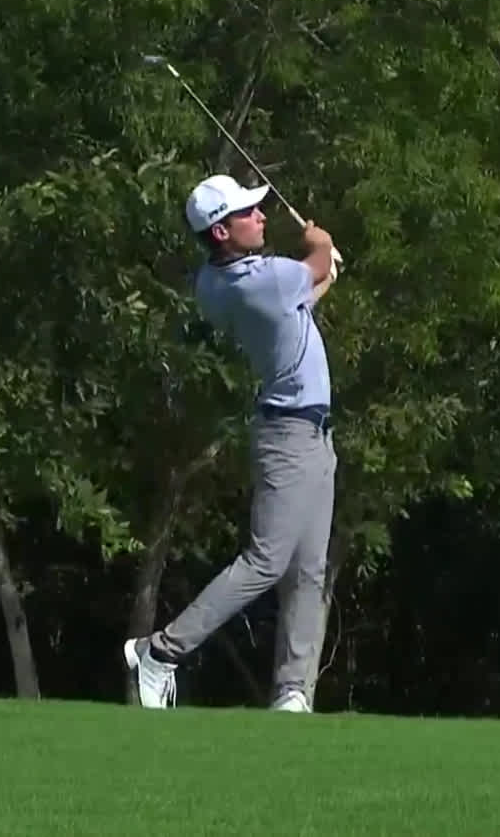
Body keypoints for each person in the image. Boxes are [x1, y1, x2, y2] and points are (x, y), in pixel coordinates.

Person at [123, 173, 341, 712]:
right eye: (248, 212)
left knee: (309, 569)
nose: (261, 216)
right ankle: (161, 652)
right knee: (267, 560)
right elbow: (313, 266)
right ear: (221, 232)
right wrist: (320, 243)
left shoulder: (217, 282)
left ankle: (292, 692)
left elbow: (302, 297)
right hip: (290, 434)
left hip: (313, 434)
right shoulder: (262, 280)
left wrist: (321, 269)